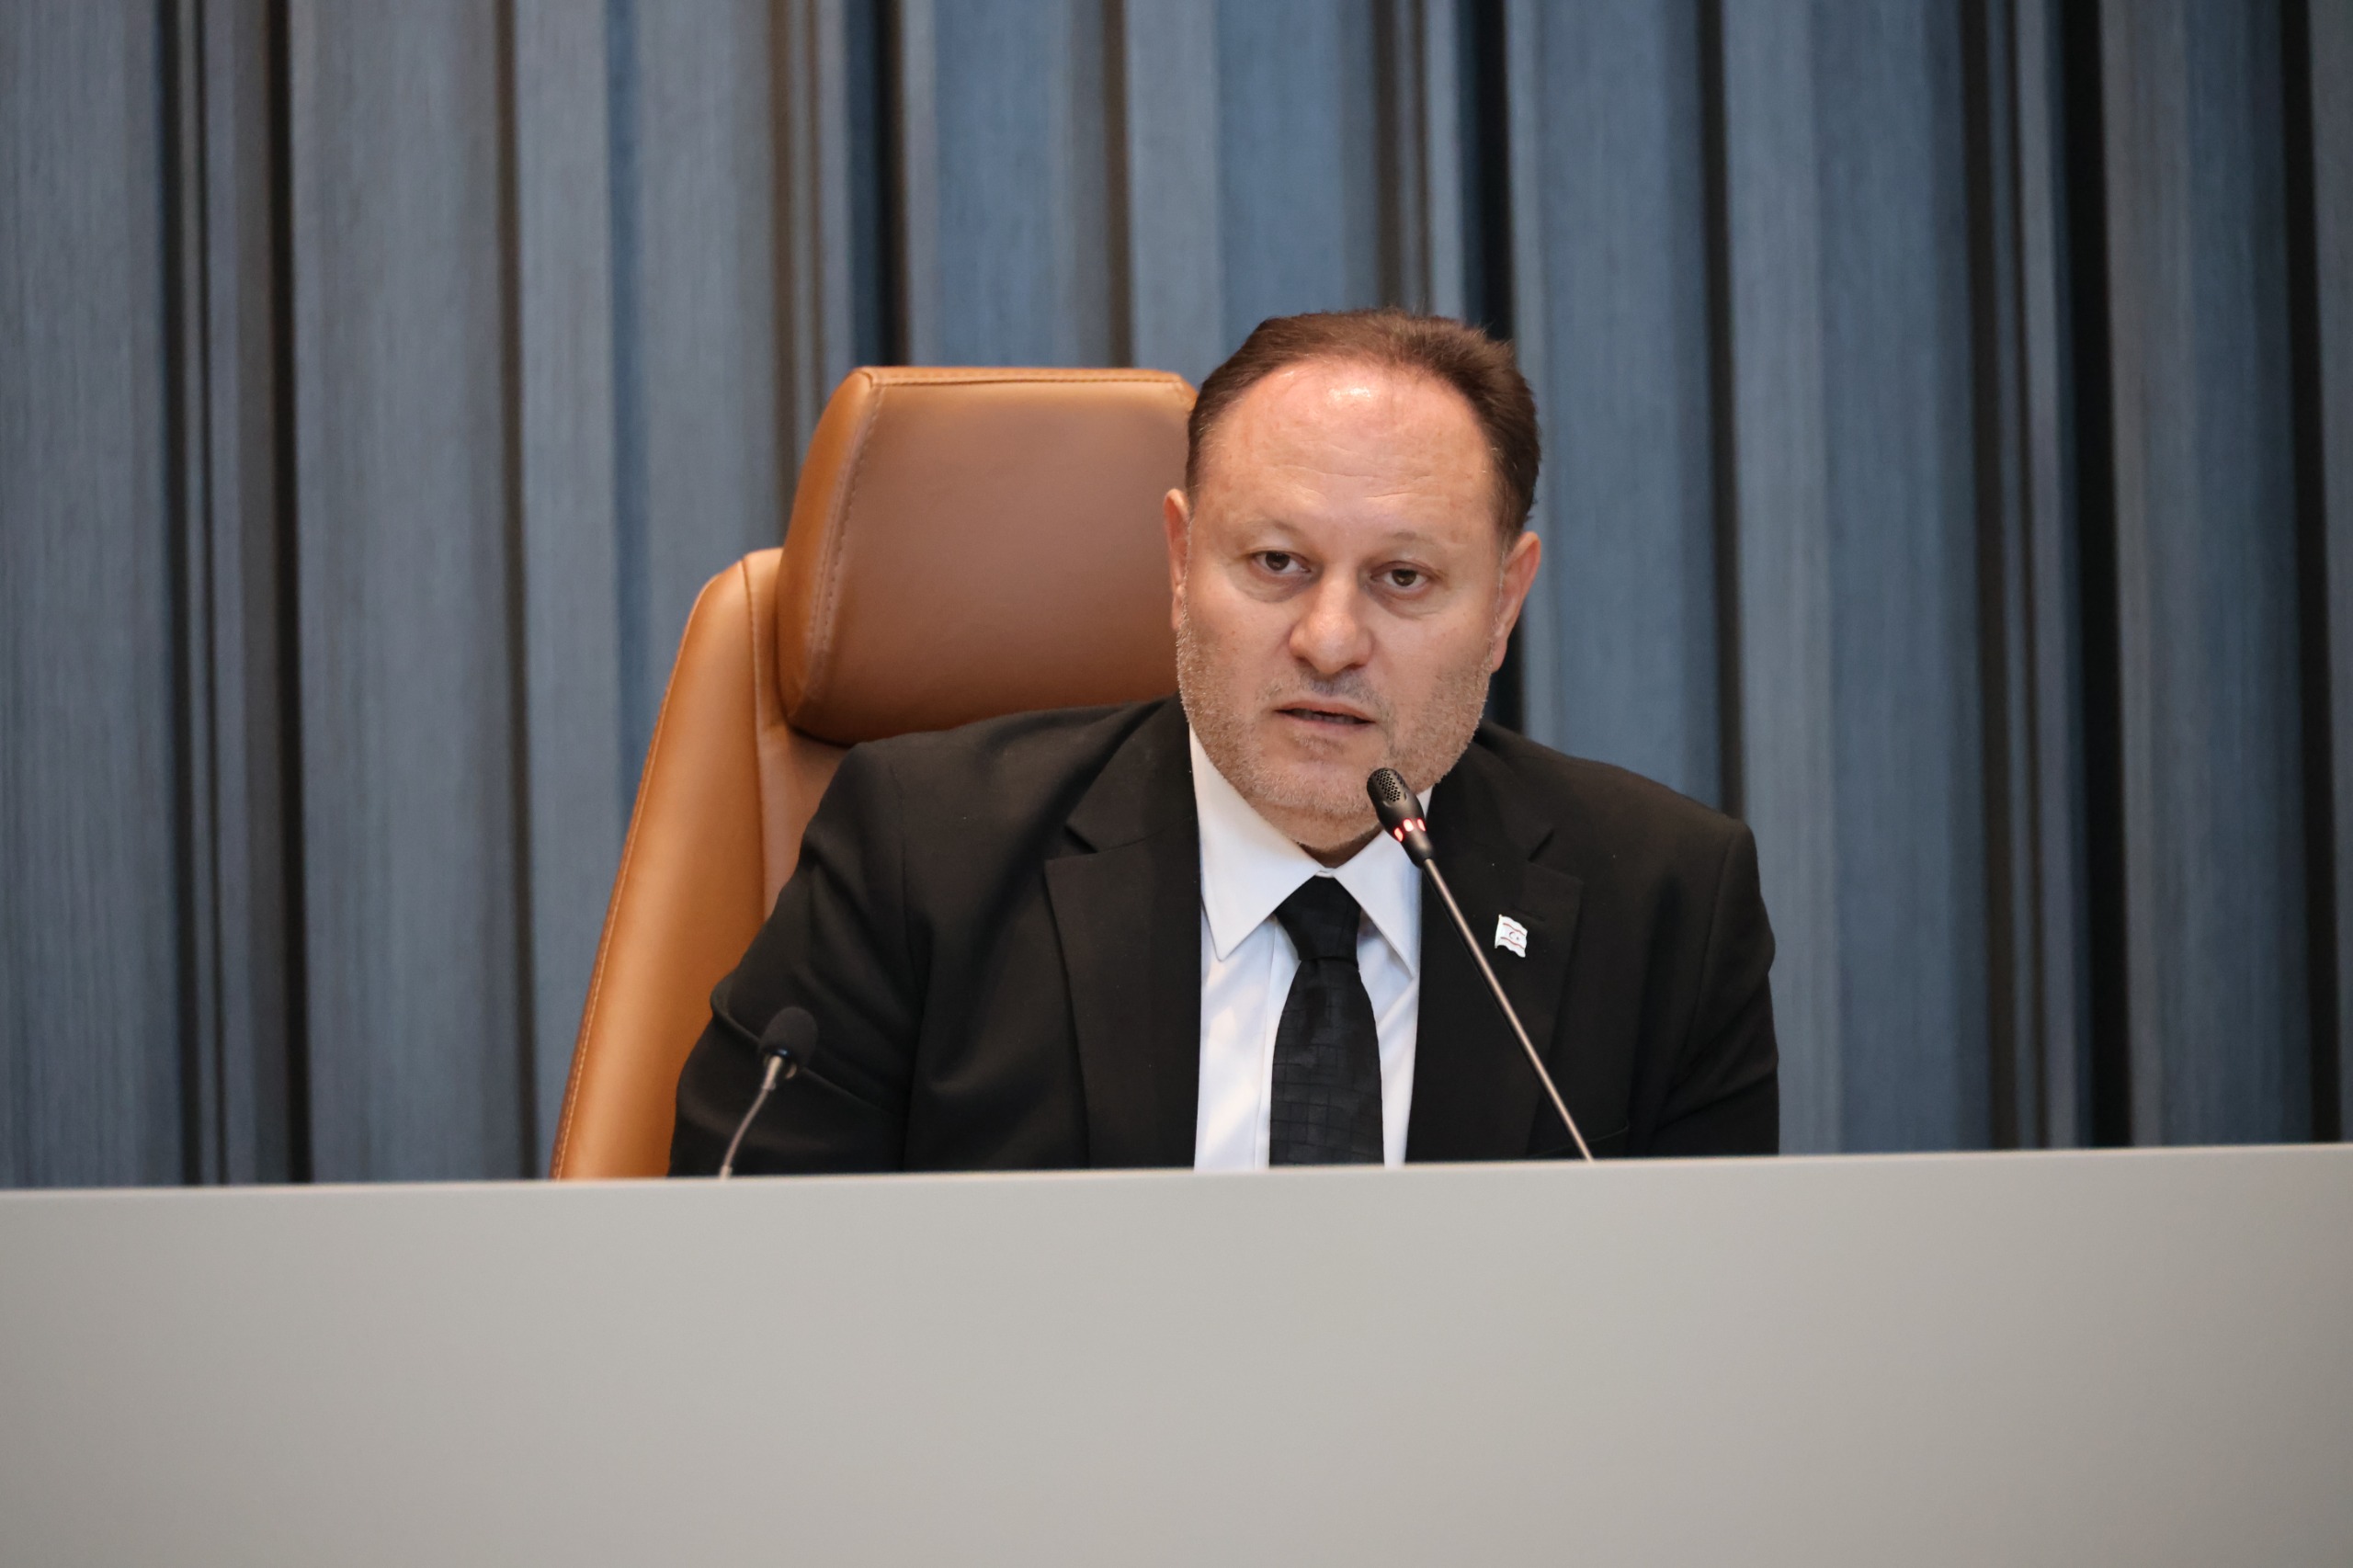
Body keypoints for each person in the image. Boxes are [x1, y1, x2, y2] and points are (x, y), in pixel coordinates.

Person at [670, 309, 1777, 1175]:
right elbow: (745, 1272)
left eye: (1402, 577)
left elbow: (1701, 1336)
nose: (1329, 639)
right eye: (1276, 563)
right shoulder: (923, 857)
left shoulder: (1665, 904)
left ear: (1502, 603)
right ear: (1179, 561)